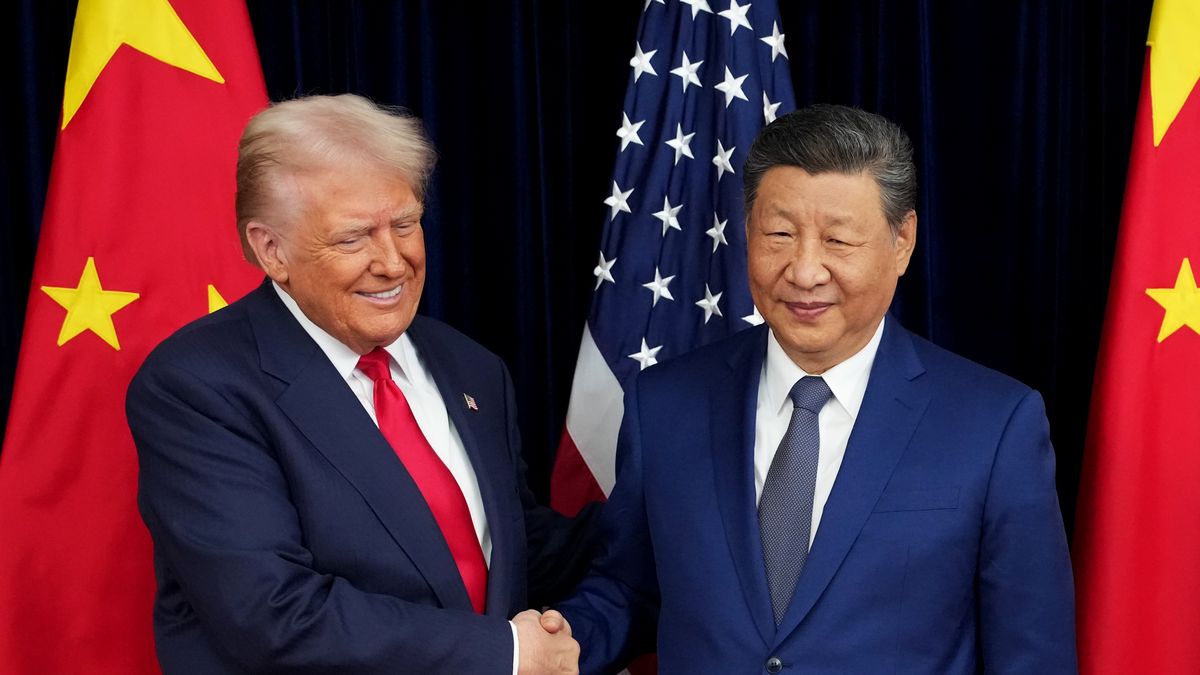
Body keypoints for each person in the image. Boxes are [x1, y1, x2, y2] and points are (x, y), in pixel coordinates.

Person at [550, 104, 1077, 673]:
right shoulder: (664, 403)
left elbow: (1031, 653)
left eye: (838, 241)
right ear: (747, 231)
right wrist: (550, 646)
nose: (804, 271)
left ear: (902, 241)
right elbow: (631, 589)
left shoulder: (995, 424)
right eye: (779, 234)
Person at [127, 94, 593, 674]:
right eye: (353, 238)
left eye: (405, 224)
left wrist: (669, 508)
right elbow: (272, 613)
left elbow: (506, 547)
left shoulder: (470, 366)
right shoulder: (198, 385)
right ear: (271, 250)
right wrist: (510, 654)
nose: (393, 261)